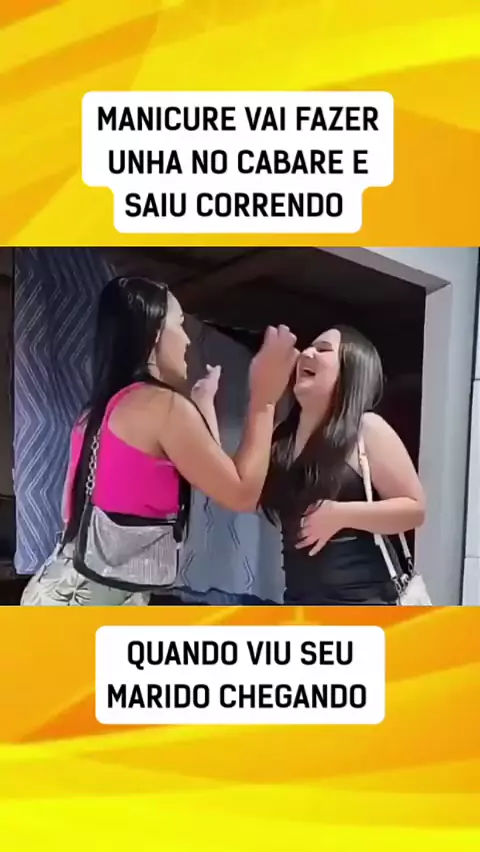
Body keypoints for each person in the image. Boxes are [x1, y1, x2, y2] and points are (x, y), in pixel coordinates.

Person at [21, 275, 297, 606]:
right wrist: (264, 399)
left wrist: (202, 404)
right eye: (179, 325)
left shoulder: (97, 412)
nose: (187, 340)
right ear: (154, 333)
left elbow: (209, 474)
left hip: (56, 592)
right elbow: (241, 494)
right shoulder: (162, 406)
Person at [259, 326, 426, 606]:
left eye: (323, 349)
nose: (307, 353)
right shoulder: (282, 438)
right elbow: (239, 487)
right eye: (309, 347)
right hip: (302, 607)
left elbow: (414, 509)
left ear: (351, 370)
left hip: (366, 608)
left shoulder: (366, 428)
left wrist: (340, 514)